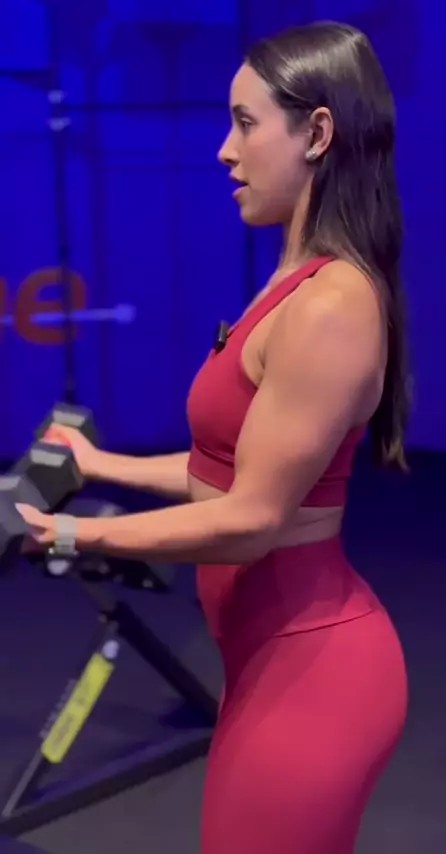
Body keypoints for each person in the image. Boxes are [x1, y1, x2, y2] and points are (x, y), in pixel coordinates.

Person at [18, 20, 410, 854]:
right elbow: (223, 470)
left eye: (243, 123)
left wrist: (74, 534)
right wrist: (99, 464)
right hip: (265, 661)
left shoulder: (332, 305)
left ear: (316, 133)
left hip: (315, 673)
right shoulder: (290, 283)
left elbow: (251, 519)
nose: (224, 152)